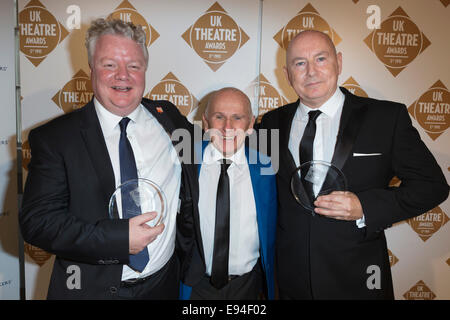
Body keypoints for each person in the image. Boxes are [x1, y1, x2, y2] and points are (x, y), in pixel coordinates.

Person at [258, 30, 449, 299]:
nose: (311, 71)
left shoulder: (386, 118)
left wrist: (364, 207)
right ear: (287, 74)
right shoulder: (270, 123)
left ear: (339, 62)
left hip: (359, 280)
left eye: (320, 59)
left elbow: (432, 186)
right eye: (299, 63)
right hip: (290, 281)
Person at [19, 18, 197, 299]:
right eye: (109, 64)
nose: (122, 75)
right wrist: (117, 239)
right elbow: (38, 223)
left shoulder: (169, 119)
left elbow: (216, 145)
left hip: (163, 284)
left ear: (145, 70)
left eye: (133, 66)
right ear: (91, 69)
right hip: (90, 290)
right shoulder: (55, 138)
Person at [179, 87, 277, 300]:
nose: (227, 127)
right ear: (205, 122)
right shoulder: (184, 163)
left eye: (237, 118)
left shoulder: (267, 168)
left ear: (251, 124)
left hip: (248, 287)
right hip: (196, 286)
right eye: (219, 117)